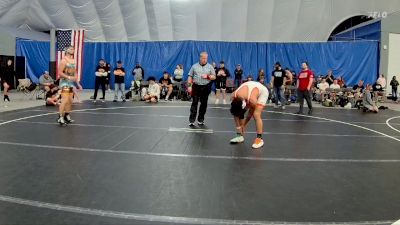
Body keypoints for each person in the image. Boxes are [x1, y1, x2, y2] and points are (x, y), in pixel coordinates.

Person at [229, 81, 269, 149]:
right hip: (249, 89)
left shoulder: (252, 100)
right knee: (236, 113)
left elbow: (250, 114)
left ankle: (259, 139)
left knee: (256, 114)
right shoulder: (233, 96)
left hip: (262, 92)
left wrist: (244, 125)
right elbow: (235, 112)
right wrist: (239, 128)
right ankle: (239, 135)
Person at [187, 52, 216, 126]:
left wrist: (208, 76)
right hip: (196, 86)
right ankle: (192, 120)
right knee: (194, 103)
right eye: (203, 58)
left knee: (204, 104)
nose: (204, 59)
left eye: (206, 58)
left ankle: (200, 119)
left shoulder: (210, 67)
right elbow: (190, 76)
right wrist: (189, 86)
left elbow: (214, 77)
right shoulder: (194, 66)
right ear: (200, 58)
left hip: (206, 87)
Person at [57, 46, 82, 126]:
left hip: (70, 83)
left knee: (70, 100)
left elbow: (74, 72)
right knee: (65, 99)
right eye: (71, 49)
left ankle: (67, 116)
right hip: (64, 82)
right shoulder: (63, 60)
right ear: (66, 50)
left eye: (73, 49)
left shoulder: (73, 61)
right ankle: (60, 117)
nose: (73, 50)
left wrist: (78, 84)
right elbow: (60, 72)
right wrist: (69, 77)